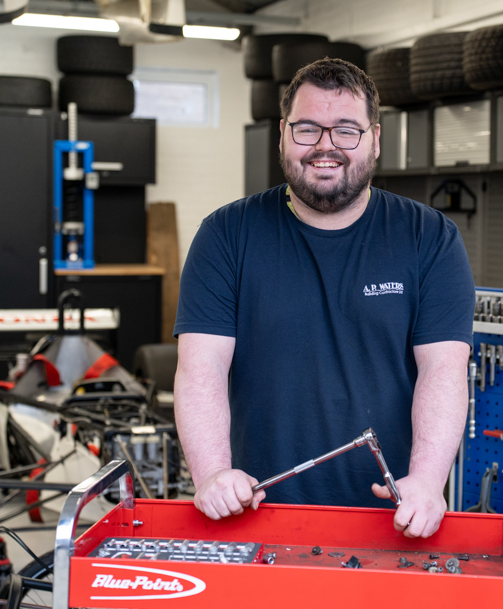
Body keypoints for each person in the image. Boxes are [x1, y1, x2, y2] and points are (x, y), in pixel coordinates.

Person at [173, 58, 475, 539]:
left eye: (346, 131)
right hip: (253, 515)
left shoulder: (429, 238)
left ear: (375, 138)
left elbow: (444, 370)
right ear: (282, 134)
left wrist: (427, 480)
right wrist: (212, 473)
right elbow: (200, 368)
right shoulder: (226, 235)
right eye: (307, 129)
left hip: (392, 522)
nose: (325, 146)